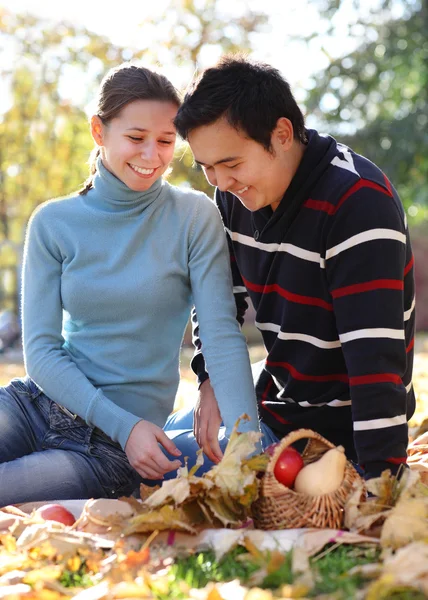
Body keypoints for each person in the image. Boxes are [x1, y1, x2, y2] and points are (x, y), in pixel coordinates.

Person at [0, 62, 263, 507]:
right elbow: (42, 351)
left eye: (165, 141)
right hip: (35, 407)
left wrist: (250, 451)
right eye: (136, 138)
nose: (151, 155)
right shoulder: (52, 222)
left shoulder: (194, 217)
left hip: (115, 451)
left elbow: (220, 334)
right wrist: (125, 424)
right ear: (99, 132)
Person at [173, 55, 416, 480]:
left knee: (138, 466)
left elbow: (375, 362)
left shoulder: (357, 203)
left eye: (229, 164)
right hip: (270, 404)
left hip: (327, 442)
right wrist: (209, 378)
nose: (219, 182)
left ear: (282, 134)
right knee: (141, 442)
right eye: (206, 167)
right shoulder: (235, 194)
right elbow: (219, 301)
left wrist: (380, 484)